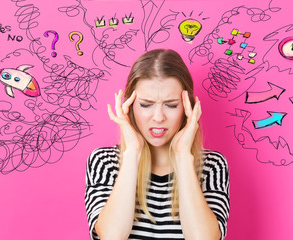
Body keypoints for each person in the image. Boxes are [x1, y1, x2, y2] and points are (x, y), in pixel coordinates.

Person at [84, 49, 230, 240]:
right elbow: (111, 237)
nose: (159, 118)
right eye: (146, 105)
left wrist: (183, 156)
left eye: (171, 105)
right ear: (129, 105)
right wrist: (132, 152)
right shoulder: (104, 162)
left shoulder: (212, 166)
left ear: (188, 108)